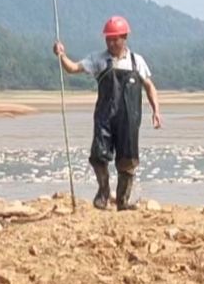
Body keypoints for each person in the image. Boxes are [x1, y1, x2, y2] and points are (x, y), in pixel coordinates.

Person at [53, 15, 162, 210]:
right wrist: (61, 55)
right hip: (104, 116)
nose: (111, 43)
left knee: (128, 161)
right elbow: (73, 68)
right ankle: (103, 190)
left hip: (129, 118)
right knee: (98, 156)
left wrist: (156, 111)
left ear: (124, 37)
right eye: (108, 39)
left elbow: (149, 86)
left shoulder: (137, 62)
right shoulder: (98, 59)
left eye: (115, 39)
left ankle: (123, 201)